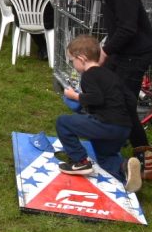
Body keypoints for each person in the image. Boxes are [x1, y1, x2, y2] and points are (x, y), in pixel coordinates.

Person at [56, 0, 152, 181]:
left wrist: (104, 52)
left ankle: (144, 159)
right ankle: (98, 137)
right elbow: (117, 26)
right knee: (106, 93)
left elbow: (128, 28)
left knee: (124, 102)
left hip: (132, 54)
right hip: (121, 50)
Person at [56, 35, 143, 194]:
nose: (72, 64)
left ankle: (80, 161)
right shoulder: (110, 74)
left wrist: (75, 97)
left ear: (81, 59)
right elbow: (130, 99)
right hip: (123, 128)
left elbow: (96, 98)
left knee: (63, 122)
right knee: (105, 157)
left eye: (72, 60)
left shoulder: (89, 75)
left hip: (105, 124)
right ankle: (125, 169)